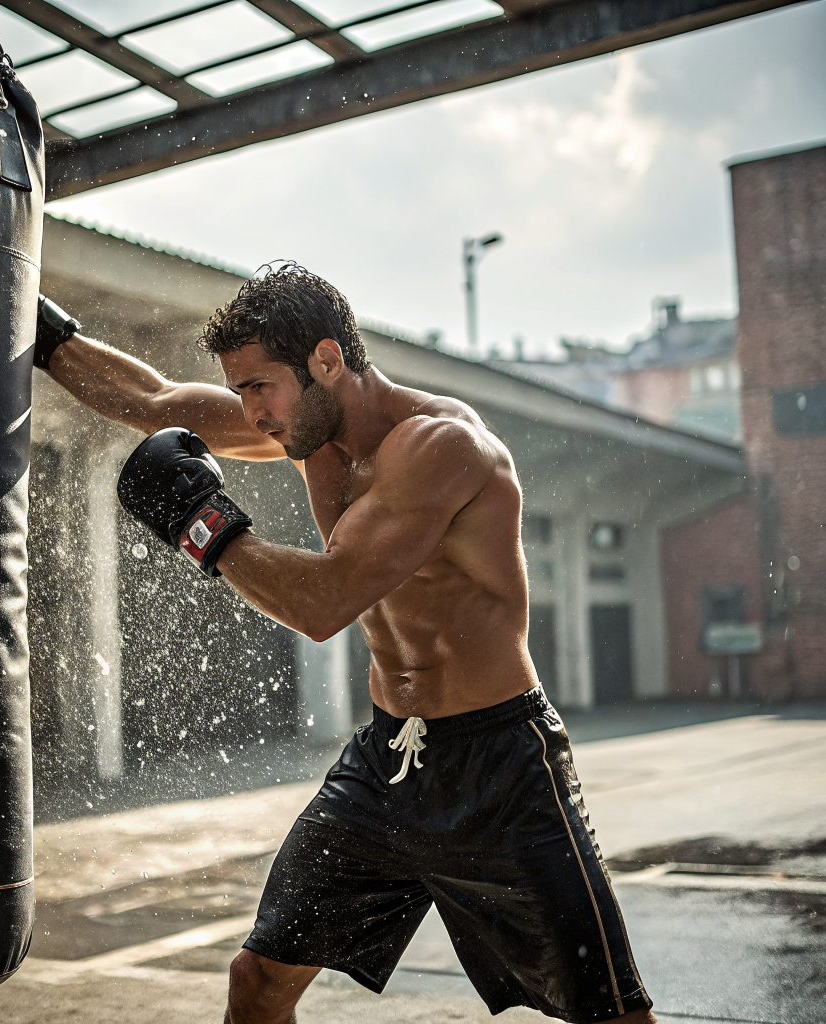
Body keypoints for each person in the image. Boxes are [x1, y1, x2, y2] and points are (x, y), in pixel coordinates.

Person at [34, 265, 655, 1024]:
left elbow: (326, 601)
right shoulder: (307, 430)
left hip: (500, 766)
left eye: (260, 386)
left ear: (327, 359)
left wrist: (203, 524)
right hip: (386, 762)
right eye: (241, 390)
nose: (250, 412)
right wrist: (41, 336)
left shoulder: (440, 447)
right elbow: (158, 401)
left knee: (609, 1013)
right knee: (257, 982)